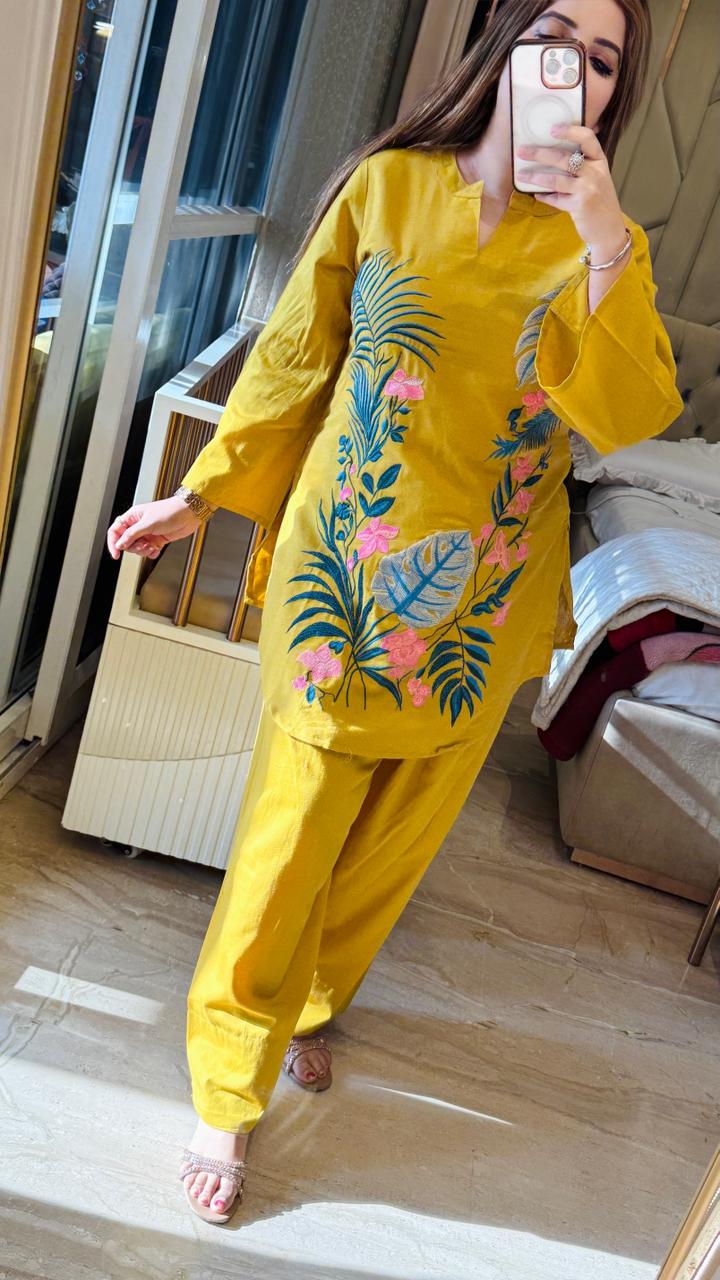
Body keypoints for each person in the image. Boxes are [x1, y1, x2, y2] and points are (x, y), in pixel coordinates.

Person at [106, 0, 682, 1225]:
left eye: (603, 59)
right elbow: (294, 358)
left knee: (393, 842)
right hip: (346, 582)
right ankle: (230, 1075)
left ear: (613, 93)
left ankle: (310, 1002)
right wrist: (200, 493)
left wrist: (604, 241)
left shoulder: (601, 244)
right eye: (555, 34)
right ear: (505, 43)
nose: (574, 68)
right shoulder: (389, 185)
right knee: (290, 835)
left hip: (485, 597)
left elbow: (627, 414)